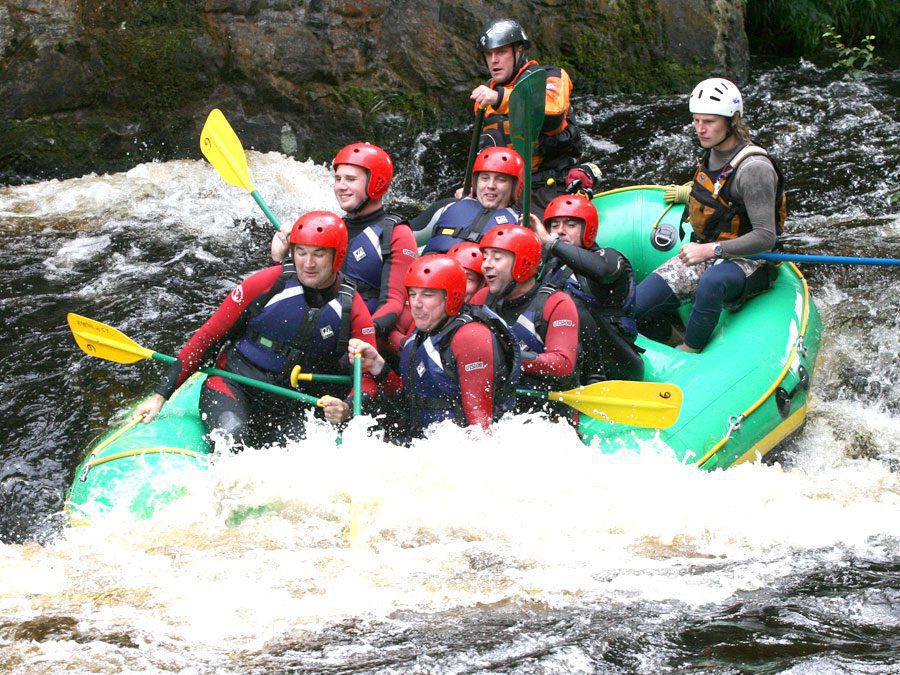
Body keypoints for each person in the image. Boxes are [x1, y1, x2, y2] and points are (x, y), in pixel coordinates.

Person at [136, 211, 378, 446]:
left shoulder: (352, 307)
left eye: (319, 254)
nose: (308, 263)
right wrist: (161, 395)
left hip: (292, 405)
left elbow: (367, 378)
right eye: (301, 252)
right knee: (233, 437)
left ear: (337, 256)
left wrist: (346, 409)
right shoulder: (267, 283)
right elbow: (208, 337)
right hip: (234, 384)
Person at [634, 77, 786, 353]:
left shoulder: (754, 169)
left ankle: (692, 350)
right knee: (635, 307)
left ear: (733, 120)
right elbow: (719, 195)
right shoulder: (714, 150)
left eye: (709, 122)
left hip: (750, 260)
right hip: (709, 251)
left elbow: (765, 236)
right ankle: (674, 344)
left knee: (713, 282)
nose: (700, 129)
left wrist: (711, 250)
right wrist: (687, 193)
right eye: (696, 121)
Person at [271, 142, 418, 354]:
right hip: (323, 328)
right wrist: (280, 257)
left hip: (363, 339)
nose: (340, 186)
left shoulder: (396, 233)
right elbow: (301, 289)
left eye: (350, 179)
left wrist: (361, 335)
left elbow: (393, 304)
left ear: (376, 183)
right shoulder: (332, 228)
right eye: (338, 179)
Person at [352, 255, 520, 438]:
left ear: (452, 297)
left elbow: (480, 426)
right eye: (413, 293)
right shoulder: (423, 332)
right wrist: (378, 365)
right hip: (424, 443)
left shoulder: (471, 337)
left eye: (428, 294)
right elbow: (411, 400)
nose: (416, 303)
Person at [470, 18, 596, 215]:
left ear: (519, 50)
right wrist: (472, 187)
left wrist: (500, 98)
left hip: (548, 186)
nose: (494, 60)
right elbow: (482, 151)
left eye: (501, 52)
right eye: (489, 54)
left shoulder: (550, 76)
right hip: (505, 191)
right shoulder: (485, 95)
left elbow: (552, 112)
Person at [530, 194, 644, 383]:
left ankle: (594, 377)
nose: (560, 231)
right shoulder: (548, 268)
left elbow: (602, 271)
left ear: (588, 229)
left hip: (617, 364)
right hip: (568, 361)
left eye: (570, 225)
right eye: (555, 225)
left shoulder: (610, 258)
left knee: (567, 305)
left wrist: (551, 244)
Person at [470, 226, 580, 415]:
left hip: (545, 412)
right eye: (485, 257)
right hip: (499, 408)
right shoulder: (482, 299)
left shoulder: (556, 303)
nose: (486, 265)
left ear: (523, 263)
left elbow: (562, 365)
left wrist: (507, 356)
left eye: (496, 258)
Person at [415, 146, 524, 254]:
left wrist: (541, 241)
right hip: (430, 268)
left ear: (515, 186)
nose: (490, 185)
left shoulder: (520, 225)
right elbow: (406, 236)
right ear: (476, 182)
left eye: (501, 180)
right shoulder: (447, 206)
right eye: (484, 178)